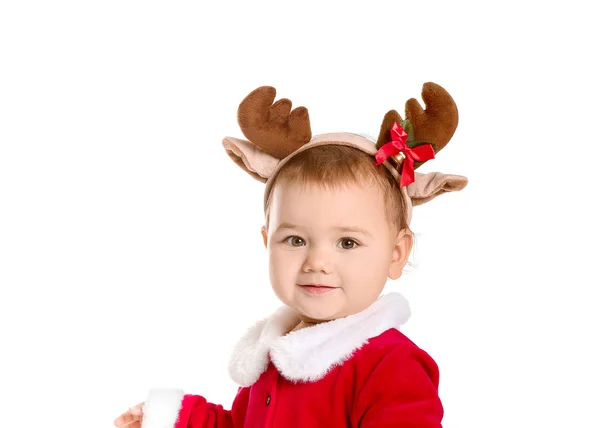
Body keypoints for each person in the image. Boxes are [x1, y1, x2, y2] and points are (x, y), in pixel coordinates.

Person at [113, 82, 468, 428]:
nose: (317, 262)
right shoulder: (275, 355)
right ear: (268, 241)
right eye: (296, 240)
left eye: (347, 243)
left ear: (396, 254)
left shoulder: (391, 366)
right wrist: (178, 418)